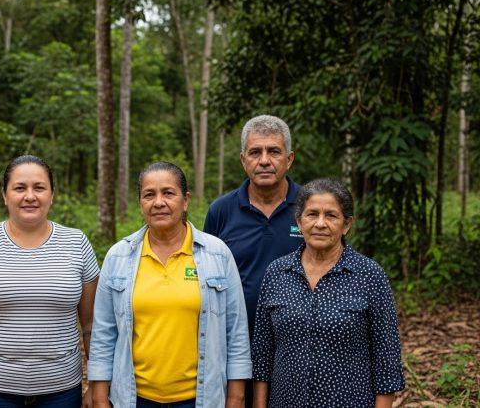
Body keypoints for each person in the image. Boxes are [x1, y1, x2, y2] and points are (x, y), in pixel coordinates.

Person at [89, 162, 251, 408]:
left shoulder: (217, 254)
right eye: (149, 195)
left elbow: (236, 333)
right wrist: (100, 396)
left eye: (168, 193)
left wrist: (236, 398)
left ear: (185, 200)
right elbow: (104, 333)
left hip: (200, 399)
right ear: (140, 203)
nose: (158, 202)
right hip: (134, 399)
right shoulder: (118, 256)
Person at [0, 155, 100, 408]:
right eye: (19, 188)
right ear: (5, 195)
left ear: (51, 194)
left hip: (60, 390)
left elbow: (92, 324)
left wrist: (96, 385)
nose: (30, 196)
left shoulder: (77, 244)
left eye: (39, 187)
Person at [251, 178, 405, 408]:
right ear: (299, 221)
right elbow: (263, 354)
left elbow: (387, 360)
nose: (320, 224)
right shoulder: (277, 272)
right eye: (312, 214)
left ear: (346, 224)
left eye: (331, 216)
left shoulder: (369, 275)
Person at [204, 115, 303, 335]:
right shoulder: (221, 211)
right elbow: (205, 279)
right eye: (255, 152)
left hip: (300, 343)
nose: (265, 161)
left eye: (274, 151)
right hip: (236, 342)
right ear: (243, 160)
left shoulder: (311, 207)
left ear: (289, 159)